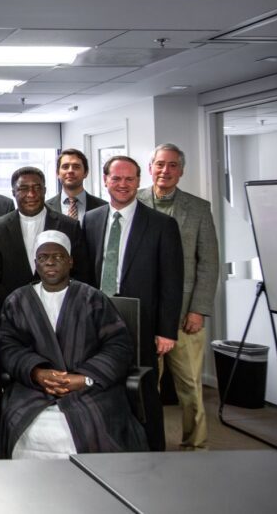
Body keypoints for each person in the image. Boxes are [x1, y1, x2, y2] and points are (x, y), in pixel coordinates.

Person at [0, 230, 147, 459]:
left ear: (70, 261)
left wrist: (84, 378)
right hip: (35, 387)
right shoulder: (17, 301)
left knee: (92, 424)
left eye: (57, 257)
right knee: (24, 425)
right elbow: (8, 346)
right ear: (35, 263)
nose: (50, 262)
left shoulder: (93, 298)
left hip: (88, 387)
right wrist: (37, 372)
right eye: (43, 257)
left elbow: (118, 346)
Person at [84, 155, 183, 452]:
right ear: (105, 180)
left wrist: (167, 330)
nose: (122, 185)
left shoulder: (161, 224)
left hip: (141, 320)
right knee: (101, 384)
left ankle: (154, 452)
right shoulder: (91, 219)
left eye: (129, 179)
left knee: (143, 390)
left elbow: (172, 281)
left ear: (139, 181)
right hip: (98, 318)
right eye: (116, 178)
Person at [137, 143, 219, 450]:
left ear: (181, 171)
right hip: (147, 314)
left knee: (190, 387)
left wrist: (198, 309)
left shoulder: (198, 209)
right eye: (160, 164)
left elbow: (209, 264)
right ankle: (148, 442)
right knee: (146, 385)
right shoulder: (136, 201)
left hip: (185, 316)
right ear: (150, 168)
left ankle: (195, 445)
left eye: (172, 165)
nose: (165, 171)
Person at [0, 166, 91, 312]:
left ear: (44, 190)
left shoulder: (69, 226)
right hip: (12, 313)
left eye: (37, 188)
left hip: (61, 312)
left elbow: (81, 274)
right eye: (23, 188)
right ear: (14, 192)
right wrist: (13, 305)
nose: (31, 194)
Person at [46, 149, 107, 226]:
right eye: (65, 167)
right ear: (57, 173)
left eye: (76, 167)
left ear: (86, 172)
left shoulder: (103, 207)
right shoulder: (45, 208)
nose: (70, 171)